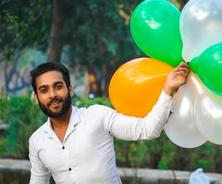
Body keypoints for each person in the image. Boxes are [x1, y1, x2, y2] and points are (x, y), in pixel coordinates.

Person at [29, 61, 190, 184]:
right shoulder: (37, 141)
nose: (52, 95)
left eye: (58, 86)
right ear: (36, 98)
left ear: (69, 90)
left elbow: (147, 129)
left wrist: (168, 89)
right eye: (44, 90)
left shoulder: (97, 116)